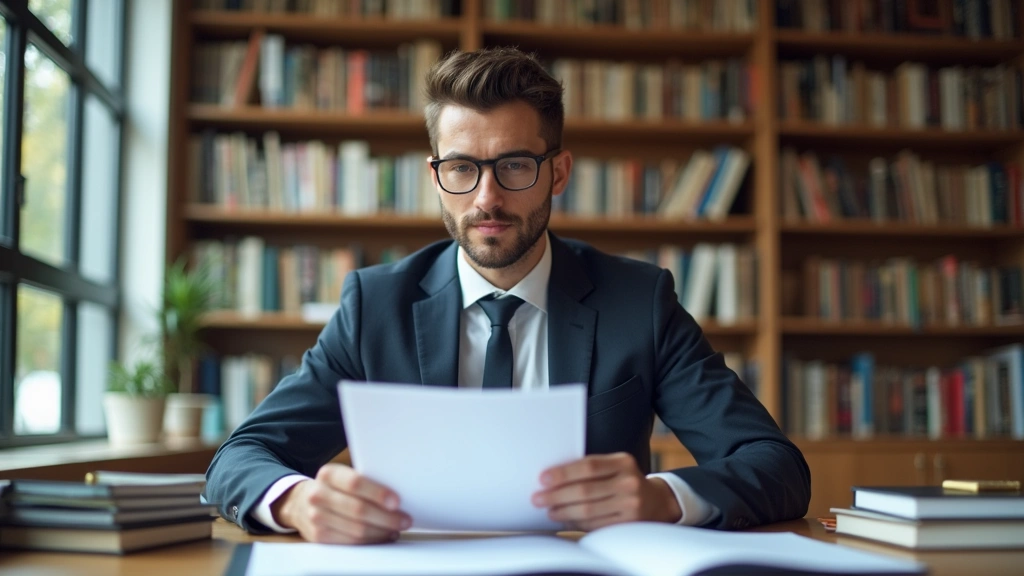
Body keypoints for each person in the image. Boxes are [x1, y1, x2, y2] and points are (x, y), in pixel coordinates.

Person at [204, 47, 810, 545]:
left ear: (558, 172)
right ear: (435, 176)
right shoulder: (373, 306)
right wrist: (298, 501)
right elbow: (240, 457)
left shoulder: (640, 301)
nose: (486, 199)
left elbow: (775, 466)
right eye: (462, 168)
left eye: (515, 166)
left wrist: (661, 495)